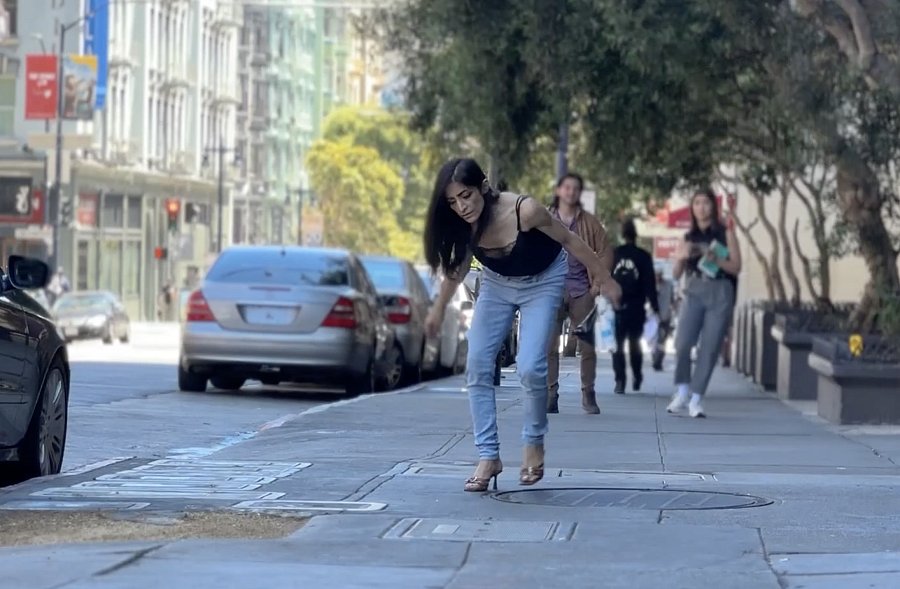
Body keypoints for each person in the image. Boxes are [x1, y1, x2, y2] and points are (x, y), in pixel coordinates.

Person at [423, 158, 621, 492]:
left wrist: (603, 277)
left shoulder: (524, 211)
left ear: (484, 187)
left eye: (467, 196)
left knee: (530, 366)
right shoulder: (462, 224)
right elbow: (456, 270)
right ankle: (488, 455)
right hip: (498, 283)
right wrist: (437, 310)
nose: (461, 207)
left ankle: (533, 442)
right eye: (453, 201)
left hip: (544, 281)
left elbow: (571, 242)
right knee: (477, 364)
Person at [668, 188, 742, 418]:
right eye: (697, 203)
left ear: (713, 206)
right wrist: (681, 256)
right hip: (694, 288)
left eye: (706, 203)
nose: (701, 207)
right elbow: (676, 273)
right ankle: (681, 391)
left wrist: (716, 259)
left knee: (709, 348)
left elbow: (736, 267)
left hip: (720, 290)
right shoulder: (687, 237)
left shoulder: (725, 233)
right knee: (682, 342)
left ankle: (696, 399)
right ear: (692, 208)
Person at [546, 172, 614, 414]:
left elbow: (605, 252)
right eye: (566, 187)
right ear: (559, 191)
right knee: (548, 346)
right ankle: (550, 394)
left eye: (575, 188)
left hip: (581, 290)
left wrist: (596, 284)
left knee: (586, 346)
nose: (570, 192)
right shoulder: (545, 218)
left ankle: (588, 394)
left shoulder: (589, 223)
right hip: (551, 289)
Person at [610, 218, 658, 394]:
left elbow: (607, 279)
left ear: (622, 234)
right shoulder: (643, 256)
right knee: (634, 342)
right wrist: (654, 306)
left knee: (617, 344)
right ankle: (637, 376)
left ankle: (620, 380)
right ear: (636, 234)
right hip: (637, 305)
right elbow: (649, 283)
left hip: (617, 304)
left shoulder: (614, 254)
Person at [652, 269, 677, 371]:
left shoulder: (668, 285)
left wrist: (675, 311)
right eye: (656, 275)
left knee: (662, 341)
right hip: (652, 318)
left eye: (659, 275)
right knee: (655, 340)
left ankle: (658, 361)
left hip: (665, 316)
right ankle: (656, 361)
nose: (658, 277)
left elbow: (672, 300)